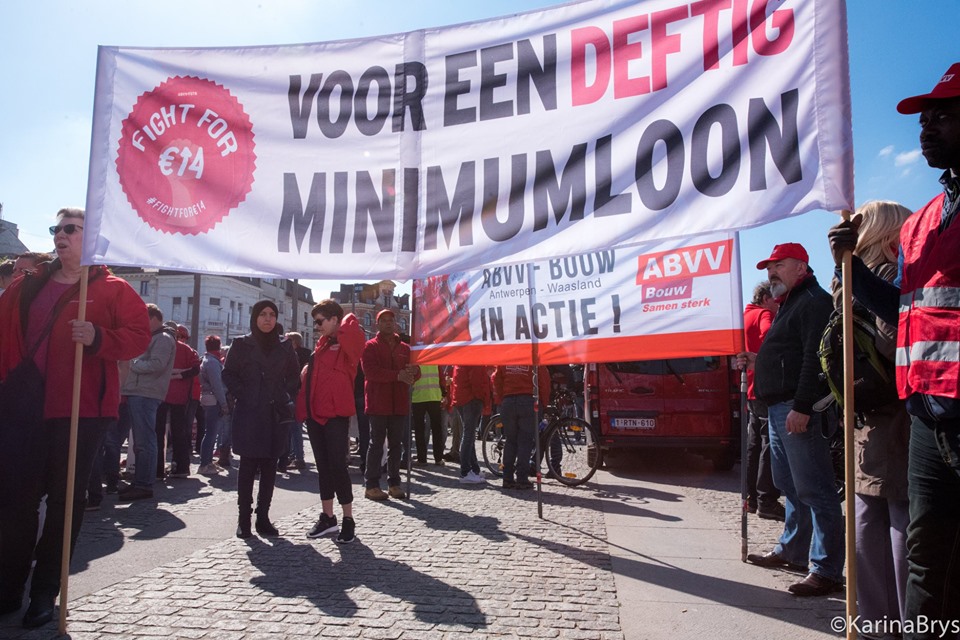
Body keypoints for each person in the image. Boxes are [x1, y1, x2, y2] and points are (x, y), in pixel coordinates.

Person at [829, 64, 960, 637]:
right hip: (928, 417)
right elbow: (904, 307)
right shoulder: (923, 222)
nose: (926, 128)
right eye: (923, 118)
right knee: (927, 567)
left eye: (944, 115)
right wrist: (853, 268)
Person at [0, 207, 150, 628]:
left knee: (65, 503)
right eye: (57, 228)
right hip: (24, 409)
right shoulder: (29, 285)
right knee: (15, 501)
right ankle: (9, 586)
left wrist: (99, 336)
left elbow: (139, 337)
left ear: (92, 237)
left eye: (71, 229)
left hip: (81, 410)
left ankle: (46, 591)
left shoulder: (114, 289)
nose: (60, 235)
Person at [739, 242, 844, 597]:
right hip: (778, 408)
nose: (771, 273)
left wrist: (803, 405)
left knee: (816, 489)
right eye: (768, 267)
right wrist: (756, 362)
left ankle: (826, 569)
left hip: (797, 409)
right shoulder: (789, 303)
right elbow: (788, 355)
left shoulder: (813, 301)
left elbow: (816, 360)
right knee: (790, 484)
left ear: (801, 267)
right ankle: (794, 551)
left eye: (778, 265)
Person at [830, 201, 913, 631]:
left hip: (863, 410)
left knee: (866, 513)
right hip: (891, 411)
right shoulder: (882, 276)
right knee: (899, 515)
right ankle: (902, 619)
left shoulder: (845, 278)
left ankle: (873, 620)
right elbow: (890, 342)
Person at [222, 300, 301, 539]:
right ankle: (243, 519)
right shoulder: (241, 344)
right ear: (255, 317)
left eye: (272, 315)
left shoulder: (285, 346)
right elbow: (229, 374)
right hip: (249, 412)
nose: (268, 319)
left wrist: (284, 396)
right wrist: (244, 394)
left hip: (275, 414)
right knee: (247, 467)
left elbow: (294, 377)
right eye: (263, 314)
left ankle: (263, 518)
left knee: (269, 467)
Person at [297, 299, 365, 543]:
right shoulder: (322, 345)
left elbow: (354, 331)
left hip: (336, 415)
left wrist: (343, 319)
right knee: (323, 468)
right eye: (315, 322)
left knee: (338, 466)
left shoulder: (348, 338)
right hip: (316, 415)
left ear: (335, 320)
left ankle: (348, 518)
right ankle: (328, 518)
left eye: (320, 321)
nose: (317, 326)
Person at [118, 304, 177, 501]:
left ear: (152, 318)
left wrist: (132, 363)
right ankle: (140, 482)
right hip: (141, 392)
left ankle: (144, 484)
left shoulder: (163, 339)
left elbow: (157, 365)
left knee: (145, 441)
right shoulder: (157, 337)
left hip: (146, 393)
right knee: (141, 442)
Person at [361, 309, 419, 501]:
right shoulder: (370, 347)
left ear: (395, 324)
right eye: (383, 320)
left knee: (397, 445)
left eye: (390, 320)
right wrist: (397, 375)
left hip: (399, 403)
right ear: (377, 324)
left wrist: (415, 371)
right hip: (378, 402)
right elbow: (370, 372)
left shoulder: (405, 348)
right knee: (376, 444)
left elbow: (414, 374)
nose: (387, 323)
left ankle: (394, 483)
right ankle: (372, 484)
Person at [742, 281, 784, 521]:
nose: (779, 304)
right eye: (775, 298)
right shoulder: (764, 314)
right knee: (769, 445)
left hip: (750, 388)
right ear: (766, 298)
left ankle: (751, 498)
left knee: (754, 444)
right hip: (764, 387)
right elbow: (771, 335)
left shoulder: (746, 315)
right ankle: (766, 499)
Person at [493, 364, 550, 490]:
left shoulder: (505, 357)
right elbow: (543, 381)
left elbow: (496, 379)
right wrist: (544, 404)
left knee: (510, 440)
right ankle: (521, 479)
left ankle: (507, 478)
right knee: (525, 441)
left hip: (508, 402)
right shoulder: (533, 357)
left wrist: (501, 399)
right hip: (528, 401)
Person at [155, 323, 200, 479]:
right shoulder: (187, 349)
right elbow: (196, 369)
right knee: (179, 432)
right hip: (179, 397)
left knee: (158, 432)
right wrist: (180, 374)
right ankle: (181, 467)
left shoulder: (158, 345)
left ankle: (157, 470)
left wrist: (173, 374)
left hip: (159, 395)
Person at [451, 364, 491, 484]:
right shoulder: (474, 360)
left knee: (469, 435)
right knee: (468, 435)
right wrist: (483, 398)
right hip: (471, 399)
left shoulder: (460, 360)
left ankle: (474, 469)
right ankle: (466, 472)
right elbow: (477, 382)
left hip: (461, 398)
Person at [198, 335, 230, 475]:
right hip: (214, 399)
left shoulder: (208, 360)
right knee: (211, 432)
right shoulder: (212, 362)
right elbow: (217, 384)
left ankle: (207, 462)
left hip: (209, 397)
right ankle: (205, 463)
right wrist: (224, 403)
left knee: (210, 432)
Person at [282, 331, 312, 471]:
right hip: (303, 395)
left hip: (294, 394)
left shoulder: (292, 355)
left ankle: (298, 457)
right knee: (295, 428)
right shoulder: (309, 355)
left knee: (294, 428)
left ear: (293, 342)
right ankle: (295, 456)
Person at [411, 364, 445, 465]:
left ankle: (422, 459)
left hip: (418, 397)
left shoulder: (416, 357)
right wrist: (444, 393)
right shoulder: (434, 358)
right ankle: (438, 458)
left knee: (419, 430)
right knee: (436, 430)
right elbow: (441, 376)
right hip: (434, 397)